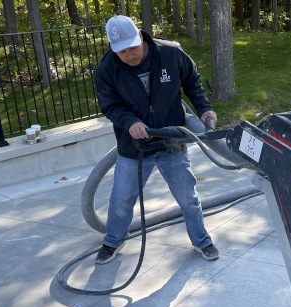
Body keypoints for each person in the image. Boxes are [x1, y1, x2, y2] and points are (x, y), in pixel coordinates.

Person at [94, 15, 219, 264]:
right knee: (121, 198)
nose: (129, 55)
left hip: (171, 140)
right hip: (135, 147)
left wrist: (204, 108)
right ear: (113, 48)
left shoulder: (170, 54)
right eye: (122, 51)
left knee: (187, 196)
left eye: (132, 47)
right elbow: (110, 106)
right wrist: (130, 122)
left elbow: (192, 81)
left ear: (140, 36)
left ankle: (201, 240)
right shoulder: (107, 69)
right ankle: (112, 241)